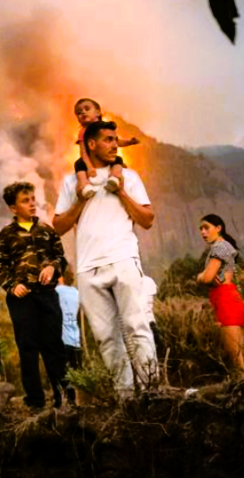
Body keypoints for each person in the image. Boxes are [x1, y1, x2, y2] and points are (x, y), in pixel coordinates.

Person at [53, 120, 158, 395]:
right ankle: (126, 399)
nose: (114, 145)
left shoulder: (129, 177)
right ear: (91, 144)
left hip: (123, 259)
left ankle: (152, 392)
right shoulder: (71, 182)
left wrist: (121, 190)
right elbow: (58, 226)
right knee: (106, 338)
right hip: (88, 268)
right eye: (109, 139)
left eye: (115, 139)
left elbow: (147, 219)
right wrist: (80, 200)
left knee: (137, 326)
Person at [0, 181, 70, 409]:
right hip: (21, 299)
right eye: (25, 201)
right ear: (13, 208)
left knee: (54, 346)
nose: (32, 204)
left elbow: (61, 257)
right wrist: (11, 285)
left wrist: (53, 268)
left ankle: (63, 398)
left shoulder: (47, 230)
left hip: (47, 296)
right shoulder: (6, 235)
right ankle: (34, 400)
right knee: (27, 348)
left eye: (32, 199)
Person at [197, 214, 244, 380]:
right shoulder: (225, 246)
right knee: (242, 360)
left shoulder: (219, 247)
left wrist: (199, 276)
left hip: (226, 300)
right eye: (200, 229)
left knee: (238, 363)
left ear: (219, 227)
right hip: (231, 298)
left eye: (206, 227)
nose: (203, 232)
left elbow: (207, 278)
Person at [73, 98, 140, 199]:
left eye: (87, 109)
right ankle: (84, 185)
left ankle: (114, 177)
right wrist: (89, 166)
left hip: (104, 158)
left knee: (118, 159)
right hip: (89, 159)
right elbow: (83, 151)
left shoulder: (105, 128)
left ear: (97, 112)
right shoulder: (83, 132)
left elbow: (116, 142)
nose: (83, 112)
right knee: (79, 164)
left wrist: (129, 142)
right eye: (79, 112)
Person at [56, 271, 83, 371]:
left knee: (64, 373)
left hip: (63, 339)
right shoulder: (77, 293)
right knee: (78, 371)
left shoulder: (57, 292)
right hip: (76, 340)